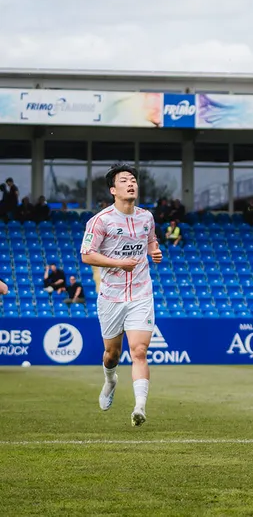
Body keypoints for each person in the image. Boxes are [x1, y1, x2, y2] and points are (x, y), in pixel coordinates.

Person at [81, 164, 162, 427]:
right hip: (112, 296)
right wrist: (118, 263)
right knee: (111, 354)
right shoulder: (100, 221)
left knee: (139, 350)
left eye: (134, 180)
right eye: (124, 180)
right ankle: (110, 380)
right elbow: (86, 255)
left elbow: (151, 240)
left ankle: (139, 407)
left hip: (141, 292)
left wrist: (154, 251)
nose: (131, 183)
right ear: (113, 190)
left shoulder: (146, 217)